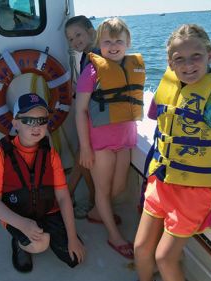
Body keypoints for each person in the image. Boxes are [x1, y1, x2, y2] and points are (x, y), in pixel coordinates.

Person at [113, 24, 211, 281]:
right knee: (141, 247)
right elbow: (155, 118)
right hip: (160, 182)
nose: (188, 65)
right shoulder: (167, 83)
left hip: (194, 192)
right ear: (170, 63)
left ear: (210, 55)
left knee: (165, 257)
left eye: (196, 56)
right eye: (179, 59)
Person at [0, 93, 85, 273]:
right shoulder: (0, 156)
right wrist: (22, 224)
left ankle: (50, 232)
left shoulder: (51, 155)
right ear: (15, 123)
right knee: (41, 244)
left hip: (48, 211)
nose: (36, 126)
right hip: (17, 214)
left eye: (41, 120)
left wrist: (72, 238)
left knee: (73, 259)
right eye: (28, 121)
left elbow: (62, 197)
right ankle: (19, 242)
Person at [75, 17, 145, 259]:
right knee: (103, 190)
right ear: (99, 43)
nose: (113, 46)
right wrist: (85, 147)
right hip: (100, 143)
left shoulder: (131, 66)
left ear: (128, 43)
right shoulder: (91, 71)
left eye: (118, 41)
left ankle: (96, 213)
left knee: (120, 187)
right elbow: (80, 110)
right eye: (107, 41)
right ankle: (114, 236)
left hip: (125, 139)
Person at [64, 15, 97, 219]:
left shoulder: (95, 56)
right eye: (70, 38)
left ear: (91, 32)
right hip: (91, 114)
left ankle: (94, 200)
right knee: (80, 154)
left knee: (83, 156)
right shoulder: (86, 55)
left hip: (98, 119)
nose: (75, 40)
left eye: (79, 34)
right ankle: (68, 194)